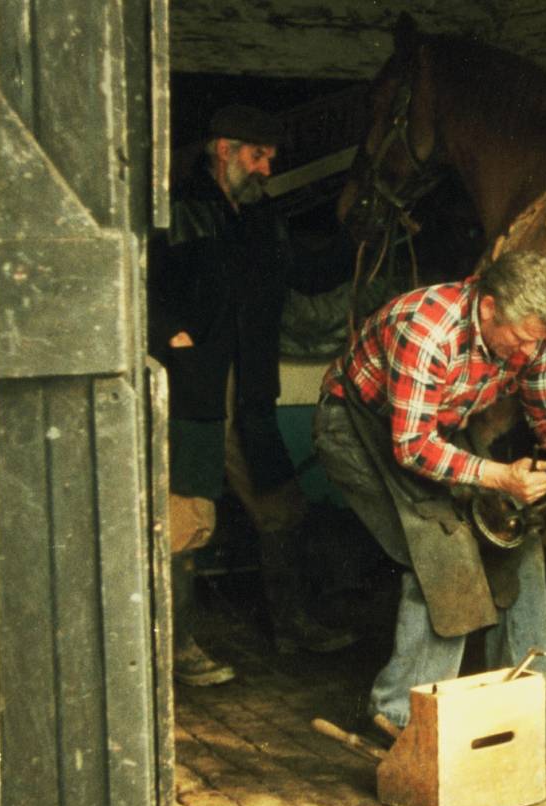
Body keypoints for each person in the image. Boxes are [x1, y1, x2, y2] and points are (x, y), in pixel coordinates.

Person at [312, 250, 546, 740]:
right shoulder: (426, 327)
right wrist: (500, 476)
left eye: (539, 341)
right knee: (440, 550)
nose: (529, 353)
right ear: (487, 308)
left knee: (515, 536)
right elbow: (413, 446)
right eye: (522, 339)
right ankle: (399, 715)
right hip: (359, 428)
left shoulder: (533, 336)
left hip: (432, 429)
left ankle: (528, 697)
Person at [148, 104, 360, 686]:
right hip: (195, 384)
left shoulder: (263, 220)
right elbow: (138, 282)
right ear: (224, 149)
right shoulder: (176, 208)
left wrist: (360, 229)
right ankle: (177, 650)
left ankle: (292, 625)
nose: (267, 168)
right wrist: (172, 336)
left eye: (270, 158)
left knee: (280, 503)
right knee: (186, 512)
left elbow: (312, 273)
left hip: (250, 387)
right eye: (257, 154)